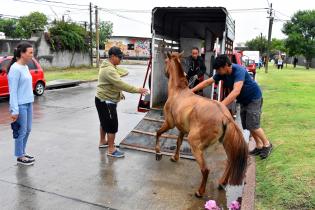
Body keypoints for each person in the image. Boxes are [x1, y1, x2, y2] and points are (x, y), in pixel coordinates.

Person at [191, 54, 273, 159]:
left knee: (254, 125)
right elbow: (208, 82)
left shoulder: (239, 70)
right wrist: (191, 91)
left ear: (226, 66)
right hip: (243, 100)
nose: (218, 72)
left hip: (254, 98)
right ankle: (259, 145)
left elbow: (236, 91)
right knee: (248, 125)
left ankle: (267, 144)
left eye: (219, 69)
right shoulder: (222, 73)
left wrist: (220, 105)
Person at [95, 46, 148, 158]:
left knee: (104, 122)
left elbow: (113, 84)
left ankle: (102, 141)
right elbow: (120, 84)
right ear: (113, 56)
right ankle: (111, 149)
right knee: (112, 125)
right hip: (106, 101)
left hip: (102, 99)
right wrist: (138, 90)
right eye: (119, 57)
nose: (121, 59)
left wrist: (119, 94)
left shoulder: (109, 66)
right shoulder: (109, 69)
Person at [8, 42, 35, 165]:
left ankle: (22, 152)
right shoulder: (15, 69)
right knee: (21, 131)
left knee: (28, 129)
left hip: (29, 103)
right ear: (22, 53)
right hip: (20, 105)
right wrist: (14, 110)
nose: (32, 55)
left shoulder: (25, 67)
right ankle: (19, 155)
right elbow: (12, 92)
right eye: (30, 53)